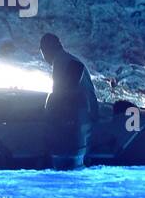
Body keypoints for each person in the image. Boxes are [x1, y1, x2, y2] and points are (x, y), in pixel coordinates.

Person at [39, 33, 100, 169]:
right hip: (87, 112)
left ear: (46, 50)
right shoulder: (66, 59)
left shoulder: (62, 61)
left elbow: (64, 91)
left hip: (82, 115)